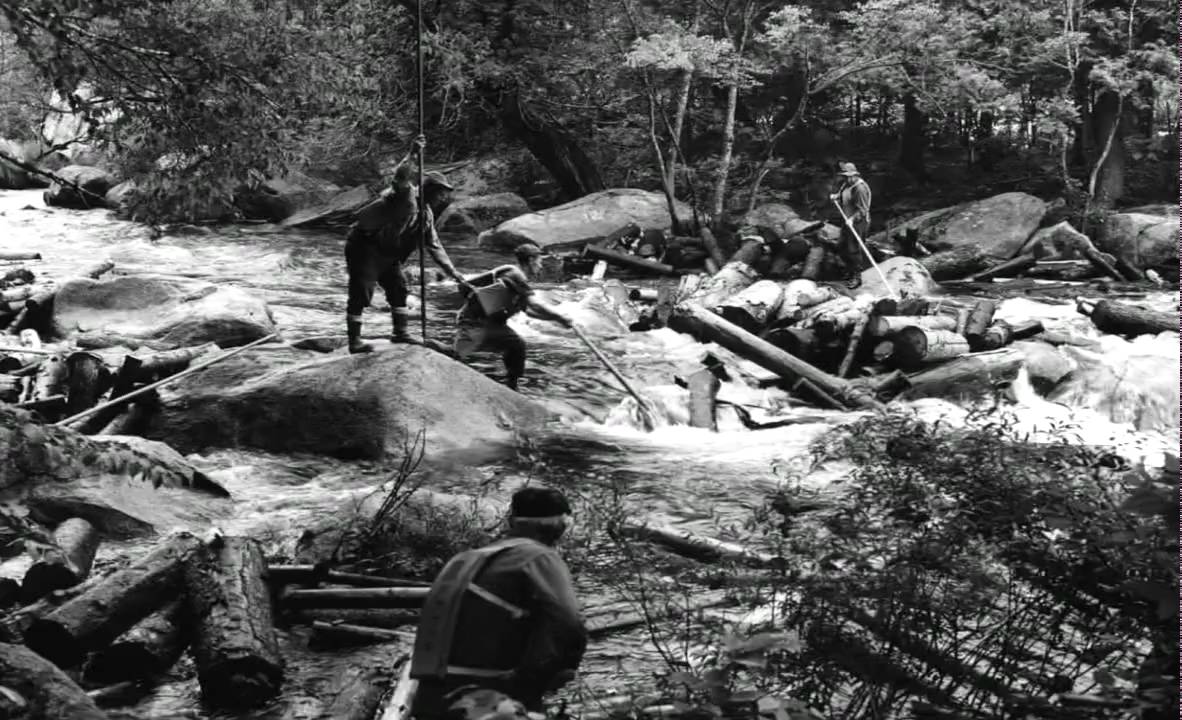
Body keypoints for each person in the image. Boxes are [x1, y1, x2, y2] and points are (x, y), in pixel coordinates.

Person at [410, 486, 588, 719]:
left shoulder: (468, 558)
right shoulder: (540, 557)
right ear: (561, 524)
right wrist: (544, 678)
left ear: (512, 520)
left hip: (430, 696)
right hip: (487, 699)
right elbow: (569, 625)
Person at [345, 145, 474, 354]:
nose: (444, 198)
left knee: (399, 288)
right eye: (441, 193)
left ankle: (400, 333)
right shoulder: (405, 196)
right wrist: (413, 154)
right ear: (430, 190)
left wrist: (455, 274)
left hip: (388, 254)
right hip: (365, 247)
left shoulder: (427, 215)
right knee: (361, 291)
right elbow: (400, 177)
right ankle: (354, 341)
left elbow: (435, 246)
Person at [453, 243, 573, 390]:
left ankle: (512, 386)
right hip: (474, 323)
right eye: (539, 261)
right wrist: (559, 317)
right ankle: (424, 344)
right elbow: (534, 305)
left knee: (516, 344)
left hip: (488, 323)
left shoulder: (514, 279)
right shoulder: (516, 275)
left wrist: (555, 319)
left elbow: (529, 311)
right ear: (530, 260)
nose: (540, 266)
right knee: (455, 355)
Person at [828, 161, 873, 287]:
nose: (846, 178)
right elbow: (843, 195)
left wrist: (852, 219)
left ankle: (857, 277)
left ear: (855, 175)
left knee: (854, 249)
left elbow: (863, 210)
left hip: (859, 222)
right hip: (847, 220)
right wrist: (836, 196)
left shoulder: (860, 188)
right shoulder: (846, 184)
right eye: (845, 176)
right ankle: (850, 270)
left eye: (848, 176)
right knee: (841, 246)